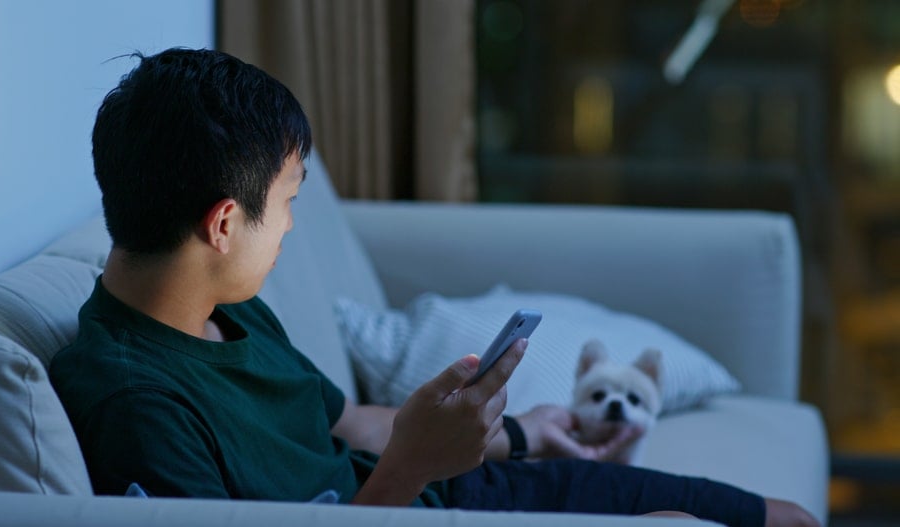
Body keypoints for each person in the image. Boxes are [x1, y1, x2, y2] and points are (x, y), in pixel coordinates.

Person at [49, 47, 818, 527]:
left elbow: (347, 422)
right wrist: (413, 467)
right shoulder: (137, 406)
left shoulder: (226, 308)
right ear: (223, 223)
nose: (290, 226)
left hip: (445, 493)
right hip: (415, 504)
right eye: (288, 201)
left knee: (773, 515)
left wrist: (516, 434)